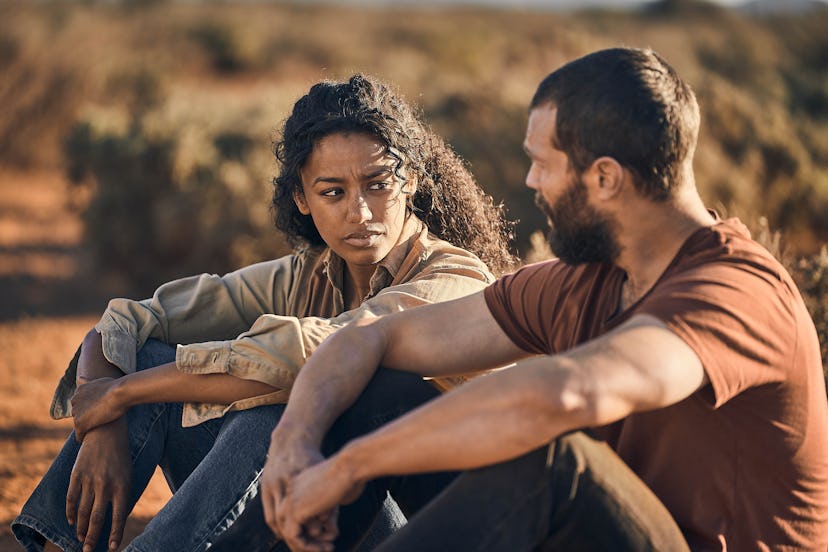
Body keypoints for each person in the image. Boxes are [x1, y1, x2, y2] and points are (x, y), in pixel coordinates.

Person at [258, 48, 828, 551]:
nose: (530, 181)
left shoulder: (737, 291)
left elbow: (571, 393)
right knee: (387, 392)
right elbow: (374, 336)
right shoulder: (581, 281)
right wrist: (296, 440)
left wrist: (353, 466)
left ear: (604, 178)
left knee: (555, 461)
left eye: (544, 164)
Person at [11, 74, 517, 552]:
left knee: (278, 400)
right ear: (302, 197)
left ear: (411, 182)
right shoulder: (306, 275)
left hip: (435, 529)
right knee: (148, 358)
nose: (359, 213)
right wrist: (104, 421)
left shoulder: (454, 281)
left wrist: (121, 392)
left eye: (378, 185)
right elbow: (127, 320)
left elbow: (311, 354)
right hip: (313, 508)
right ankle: (59, 543)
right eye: (333, 192)